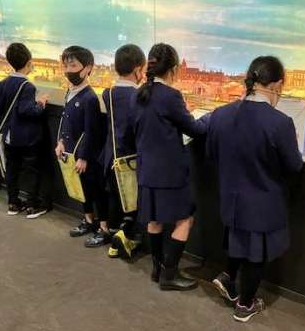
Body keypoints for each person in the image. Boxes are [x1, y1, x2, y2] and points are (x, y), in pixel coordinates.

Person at [207, 55, 303, 322]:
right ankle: (245, 305)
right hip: (263, 202)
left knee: (238, 242)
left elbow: (211, 153)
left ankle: (228, 280)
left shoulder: (221, 114)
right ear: (277, 85)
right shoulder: (280, 122)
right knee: (256, 255)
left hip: (231, 198)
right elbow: (294, 165)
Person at [135, 43, 209, 291]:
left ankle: (157, 269)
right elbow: (195, 129)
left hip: (147, 170)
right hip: (170, 173)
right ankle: (170, 274)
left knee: (154, 219)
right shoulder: (171, 96)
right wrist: (210, 117)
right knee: (185, 219)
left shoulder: (140, 94)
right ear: (174, 69)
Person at [55, 46, 110, 246]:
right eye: (66, 66)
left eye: (73, 66)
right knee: (81, 189)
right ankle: (88, 220)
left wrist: (84, 157)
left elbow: (91, 131)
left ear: (87, 68)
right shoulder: (69, 92)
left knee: (96, 190)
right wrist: (60, 141)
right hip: (71, 152)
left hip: (87, 156)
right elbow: (65, 120)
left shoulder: (90, 97)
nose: (68, 70)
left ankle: (104, 228)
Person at [101, 44, 146, 259]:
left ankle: (113, 241)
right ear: (138, 70)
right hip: (131, 158)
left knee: (116, 198)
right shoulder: (140, 96)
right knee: (133, 203)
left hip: (111, 156)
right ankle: (126, 237)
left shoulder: (108, 93)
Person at [0, 42, 48, 218]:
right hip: (26, 138)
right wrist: (41, 103)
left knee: (12, 169)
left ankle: (13, 203)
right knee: (32, 170)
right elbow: (28, 111)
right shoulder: (28, 86)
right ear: (28, 62)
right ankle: (32, 205)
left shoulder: (3, 83)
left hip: (9, 137)